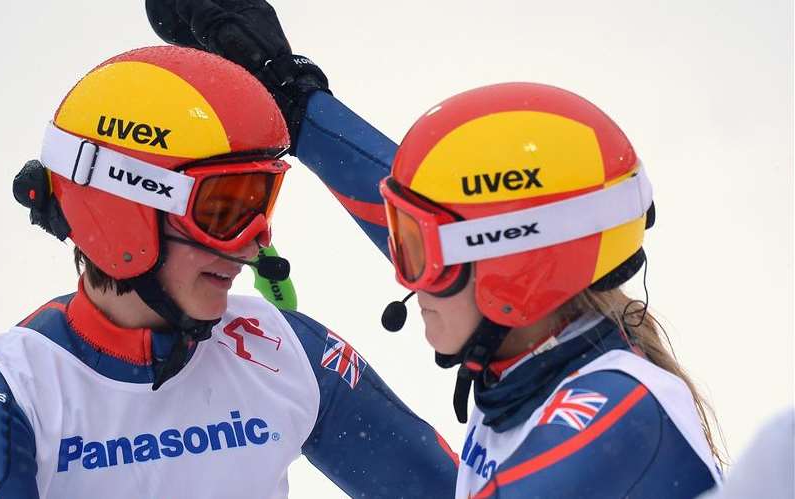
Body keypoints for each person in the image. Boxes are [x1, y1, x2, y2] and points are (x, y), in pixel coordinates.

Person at [147, 2, 727, 497]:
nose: (408, 280)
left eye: (416, 251)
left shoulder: (616, 413)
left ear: (515, 275)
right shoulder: (536, 367)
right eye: (401, 240)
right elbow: (449, 227)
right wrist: (298, 107)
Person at [0, 46, 459, 498]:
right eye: (223, 210)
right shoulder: (3, 394)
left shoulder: (285, 351)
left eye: (262, 203)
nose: (253, 244)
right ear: (123, 215)